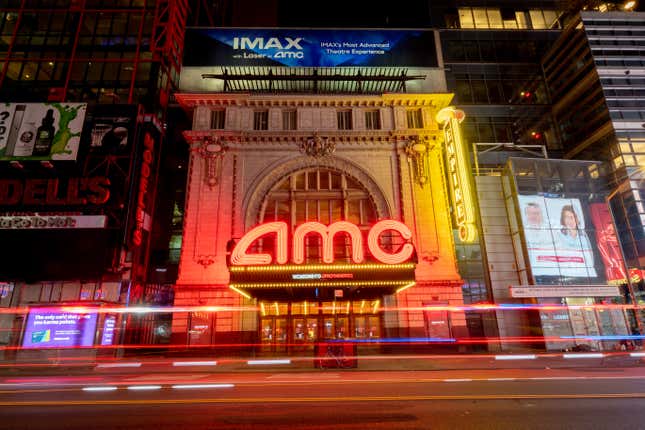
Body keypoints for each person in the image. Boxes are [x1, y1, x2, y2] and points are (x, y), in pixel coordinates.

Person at [556, 205, 595, 274]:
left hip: (585, 272)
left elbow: (591, 258)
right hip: (566, 272)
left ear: (577, 219)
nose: (569, 221)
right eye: (566, 217)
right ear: (563, 220)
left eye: (572, 217)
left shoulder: (584, 236)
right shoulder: (558, 235)